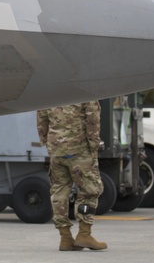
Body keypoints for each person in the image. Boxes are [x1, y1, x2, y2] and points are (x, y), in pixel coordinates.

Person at [37, 102, 107, 251]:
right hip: (79, 149)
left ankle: (65, 238)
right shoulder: (84, 92)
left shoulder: (50, 92)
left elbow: (41, 117)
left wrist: (46, 141)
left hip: (56, 150)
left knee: (59, 191)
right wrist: (94, 145)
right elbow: (92, 120)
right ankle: (84, 234)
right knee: (90, 190)